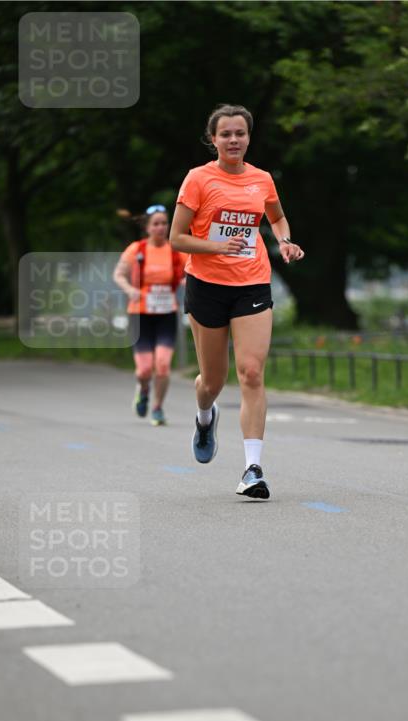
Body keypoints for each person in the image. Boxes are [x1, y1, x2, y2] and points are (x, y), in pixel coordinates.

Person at [169, 103, 304, 500]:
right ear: (213, 139)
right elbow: (177, 237)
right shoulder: (197, 179)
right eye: (225, 134)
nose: (233, 140)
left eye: (240, 134)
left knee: (251, 372)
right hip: (207, 285)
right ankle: (205, 416)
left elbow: (276, 216)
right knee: (212, 381)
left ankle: (252, 469)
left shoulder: (261, 179)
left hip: (252, 282)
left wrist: (283, 240)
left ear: (249, 138)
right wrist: (215, 246)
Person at [113, 205, 187, 425]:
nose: (161, 227)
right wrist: (130, 290)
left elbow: (190, 273)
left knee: (163, 365)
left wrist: (184, 281)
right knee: (144, 369)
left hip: (166, 313)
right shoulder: (137, 249)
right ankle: (143, 390)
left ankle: (157, 407)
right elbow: (118, 274)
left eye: (164, 223)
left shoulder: (176, 250)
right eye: (156, 223)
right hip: (140, 315)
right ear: (147, 227)